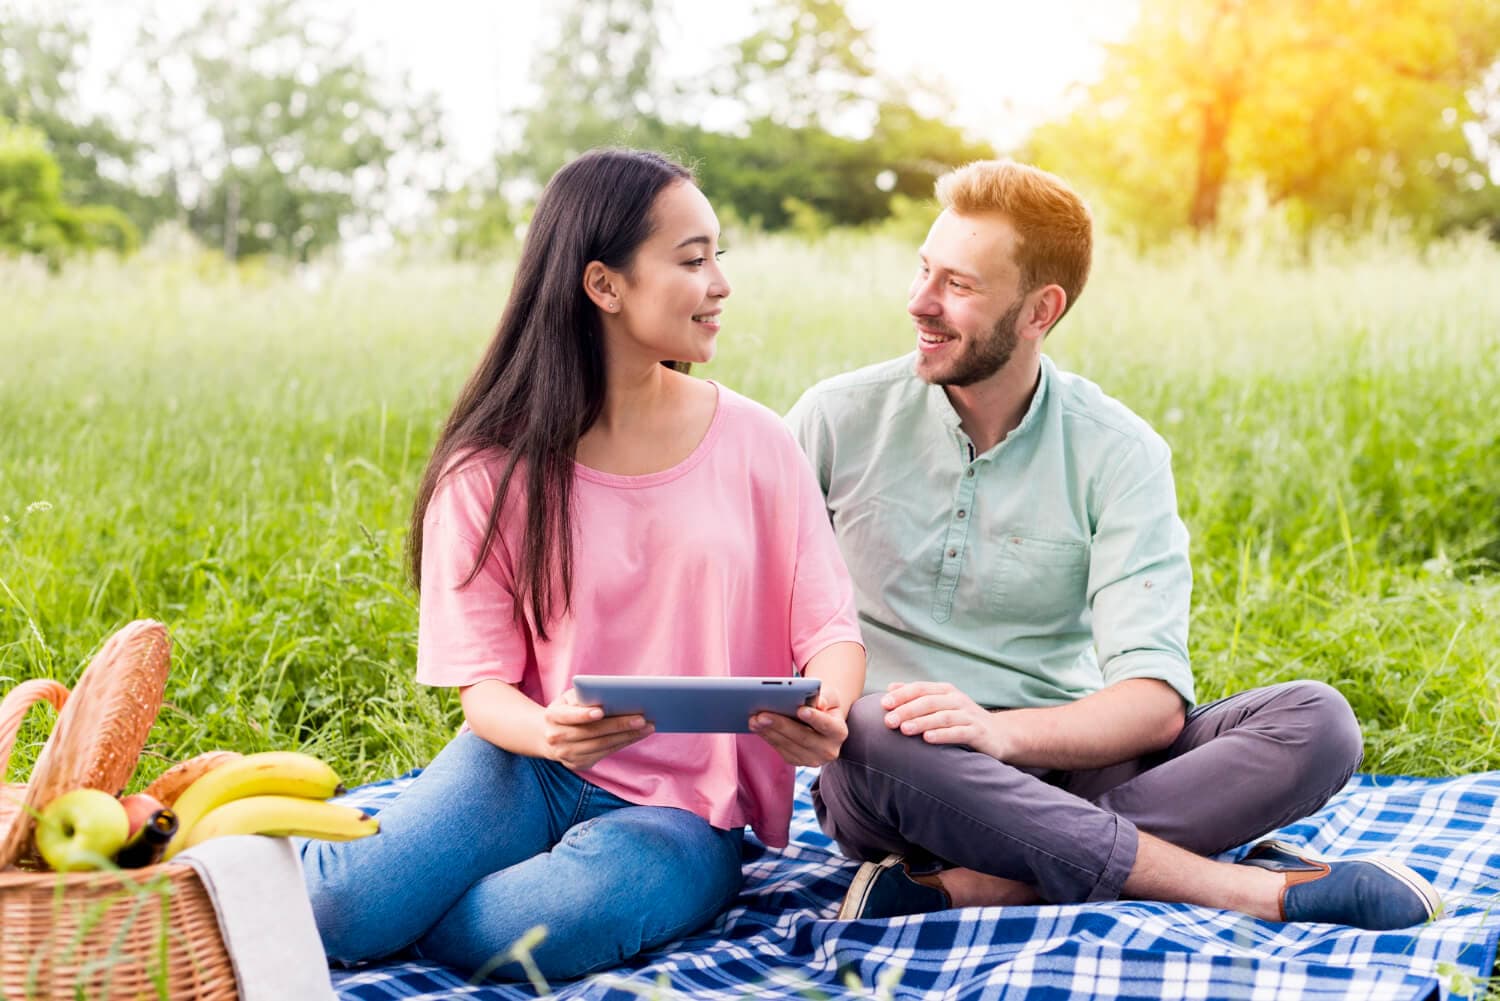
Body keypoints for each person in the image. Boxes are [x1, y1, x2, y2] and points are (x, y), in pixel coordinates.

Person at [785, 159, 1440, 930]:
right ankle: (1242, 888)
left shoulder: (1120, 451)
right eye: (925, 270)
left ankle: (984, 884)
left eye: (957, 286)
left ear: (1040, 311)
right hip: (908, 779)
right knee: (870, 727)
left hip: (1072, 763)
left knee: (1319, 722)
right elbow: (756, 616)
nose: (919, 302)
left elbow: (1153, 703)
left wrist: (1002, 732)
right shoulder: (833, 419)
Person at [301, 148, 865, 981]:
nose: (720, 284)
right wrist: (549, 733)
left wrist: (830, 708)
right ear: (603, 285)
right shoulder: (487, 469)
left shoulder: (758, 442)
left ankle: (452, 898)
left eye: (719, 256)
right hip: (528, 761)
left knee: (512, 936)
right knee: (336, 913)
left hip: (683, 804)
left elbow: (829, 629)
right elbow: (486, 688)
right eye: (692, 258)